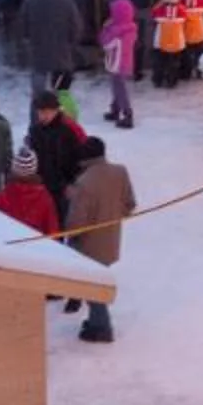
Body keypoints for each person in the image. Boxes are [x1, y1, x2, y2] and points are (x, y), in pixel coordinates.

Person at [62, 137, 136, 342]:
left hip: (87, 245)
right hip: (111, 238)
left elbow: (77, 223)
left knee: (92, 286)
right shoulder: (120, 172)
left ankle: (101, 327)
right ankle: (96, 322)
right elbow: (129, 204)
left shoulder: (84, 184)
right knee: (96, 281)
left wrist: (71, 199)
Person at [18, 0, 84, 86]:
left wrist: (28, 40)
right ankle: (65, 104)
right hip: (62, 52)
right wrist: (72, 42)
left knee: (39, 82)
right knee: (63, 91)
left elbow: (23, 26)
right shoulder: (68, 3)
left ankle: (38, 103)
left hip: (38, 50)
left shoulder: (31, 2)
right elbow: (76, 27)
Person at [27, 90, 87, 223]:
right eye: (40, 112)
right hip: (42, 187)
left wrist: (73, 184)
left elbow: (81, 160)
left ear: (56, 110)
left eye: (47, 112)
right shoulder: (35, 131)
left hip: (64, 188)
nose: (43, 116)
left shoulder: (69, 130)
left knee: (60, 223)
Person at [0, 146, 59, 237]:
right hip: (36, 247)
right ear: (35, 169)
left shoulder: (4, 195)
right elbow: (52, 230)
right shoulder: (44, 197)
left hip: (10, 246)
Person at [99, 0, 139, 128]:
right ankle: (115, 109)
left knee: (119, 89)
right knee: (118, 87)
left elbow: (106, 44)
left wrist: (105, 28)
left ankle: (127, 113)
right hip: (124, 63)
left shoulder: (117, 32)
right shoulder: (130, 29)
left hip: (117, 64)